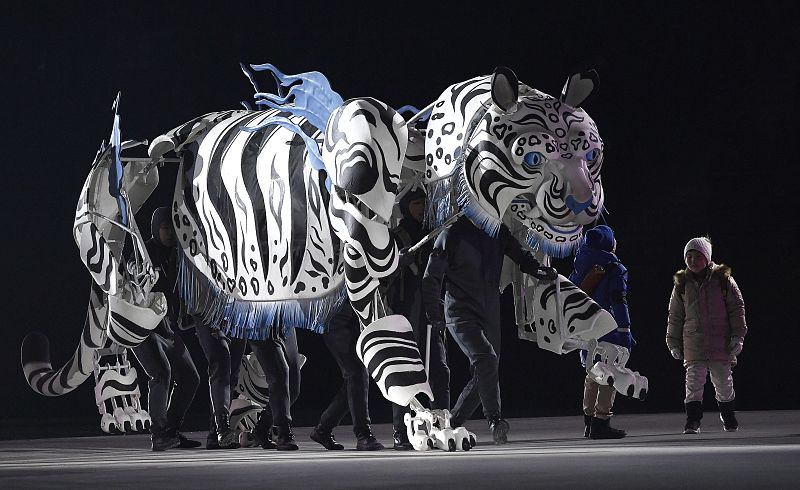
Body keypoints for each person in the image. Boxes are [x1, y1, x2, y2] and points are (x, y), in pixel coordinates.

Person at [422, 215, 556, 444]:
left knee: (486, 369)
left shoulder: (497, 229)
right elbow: (431, 277)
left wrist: (538, 270)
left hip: (489, 310)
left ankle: (453, 423)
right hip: (460, 312)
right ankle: (494, 419)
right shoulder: (451, 234)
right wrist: (434, 313)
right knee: (486, 361)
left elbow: (519, 254)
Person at [131, 207, 201, 451]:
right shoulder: (144, 254)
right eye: (165, 228)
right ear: (155, 229)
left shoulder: (178, 255)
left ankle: (171, 430)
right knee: (161, 373)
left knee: (191, 378)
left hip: (168, 329)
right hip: (144, 329)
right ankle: (159, 433)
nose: (170, 232)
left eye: (173, 227)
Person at [387, 187, 448, 450]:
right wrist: (397, 263)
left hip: (430, 310)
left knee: (439, 371)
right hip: (404, 311)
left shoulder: (435, 233)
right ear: (406, 206)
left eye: (424, 202)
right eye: (415, 203)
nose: (421, 207)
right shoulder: (394, 236)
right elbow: (379, 274)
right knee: (405, 373)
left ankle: (440, 424)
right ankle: (401, 430)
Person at [666, 237, 747, 434]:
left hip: (721, 341)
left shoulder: (722, 279)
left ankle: (728, 417)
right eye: (689, 256)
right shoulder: (682, 283)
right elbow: (675, 315)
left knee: (723, 381)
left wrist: (738, 336)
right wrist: (673, 343)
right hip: (694, 342)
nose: (692, 260)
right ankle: (693, 420)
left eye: (697, 256)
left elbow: (737, 309)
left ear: (707, 258)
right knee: (693, 382)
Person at [568, 225, 633, 439]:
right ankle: (601, 421)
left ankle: (589, 422)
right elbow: (618, 299)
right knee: (610, 373)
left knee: (592, 372)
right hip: (609, 327)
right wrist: (625, 328)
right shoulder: (614, 268)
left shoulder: (580, 265)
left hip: (586, 328)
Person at [309, 305, 384, 451]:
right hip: (337, 315)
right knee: (356, 373)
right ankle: (363, 434)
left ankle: (323, 428)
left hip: (360, 316)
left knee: (355, 378)